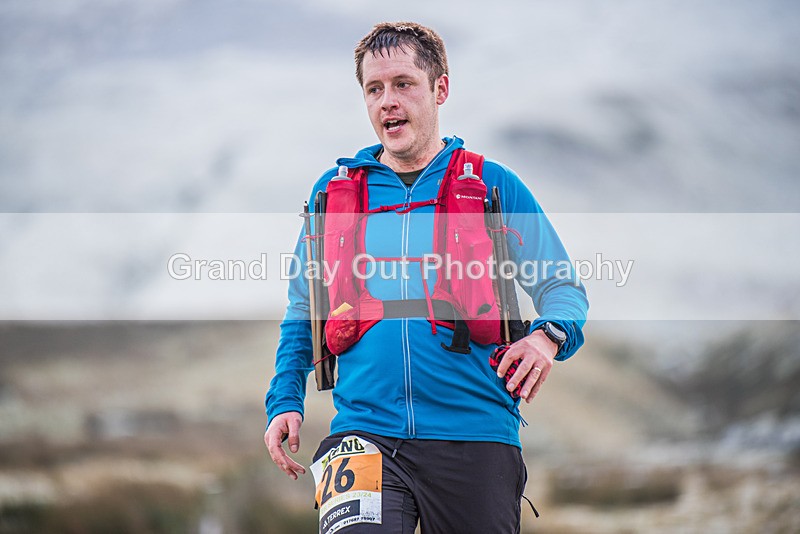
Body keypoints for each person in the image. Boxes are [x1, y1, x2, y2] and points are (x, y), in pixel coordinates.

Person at [264, 21, 588, 533]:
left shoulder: (493, 188)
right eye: (374, 89)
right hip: (363, 435)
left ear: (440, 89)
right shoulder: (332, 195)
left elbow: (562, 288)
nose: (387, 101)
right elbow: (304, 309)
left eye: (403, 84)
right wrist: (285, 398)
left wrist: (549, 338)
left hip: (475, 436)